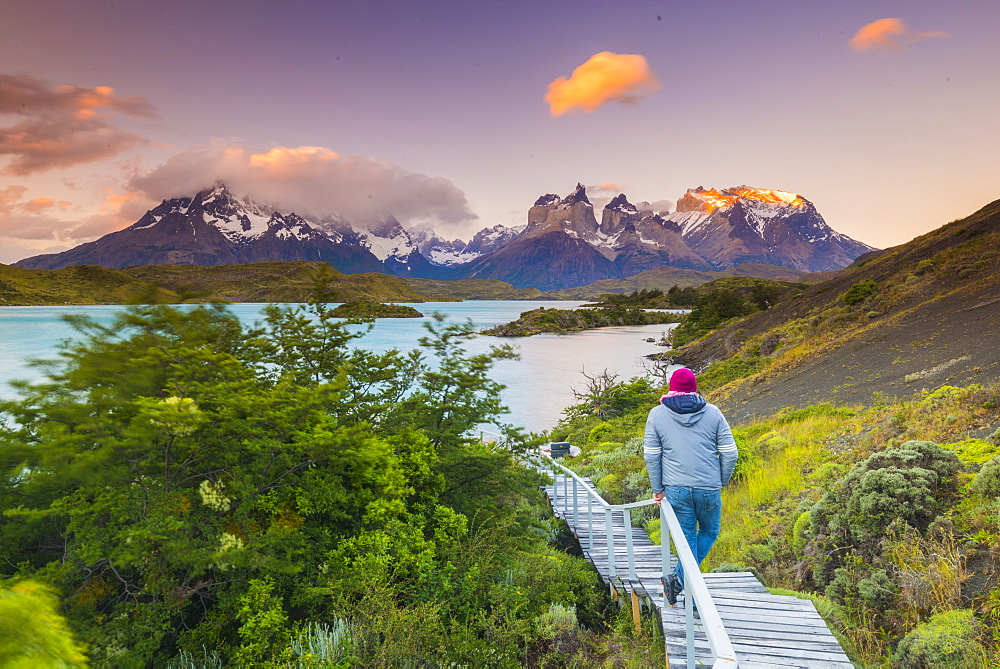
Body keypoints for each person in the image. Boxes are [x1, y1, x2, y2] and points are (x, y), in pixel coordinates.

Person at [643, 367, 738, 605]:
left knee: (686, 542)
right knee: (709, 532)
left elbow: (652, 456)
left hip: (675, 489)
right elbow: (730, 453)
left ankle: (678, 581)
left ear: (671, 388)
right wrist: (719, 482)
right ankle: (682, 586)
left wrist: (658, 488)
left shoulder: (657, 414)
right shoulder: (713, 413)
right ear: (694, 388)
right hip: (708, 487)